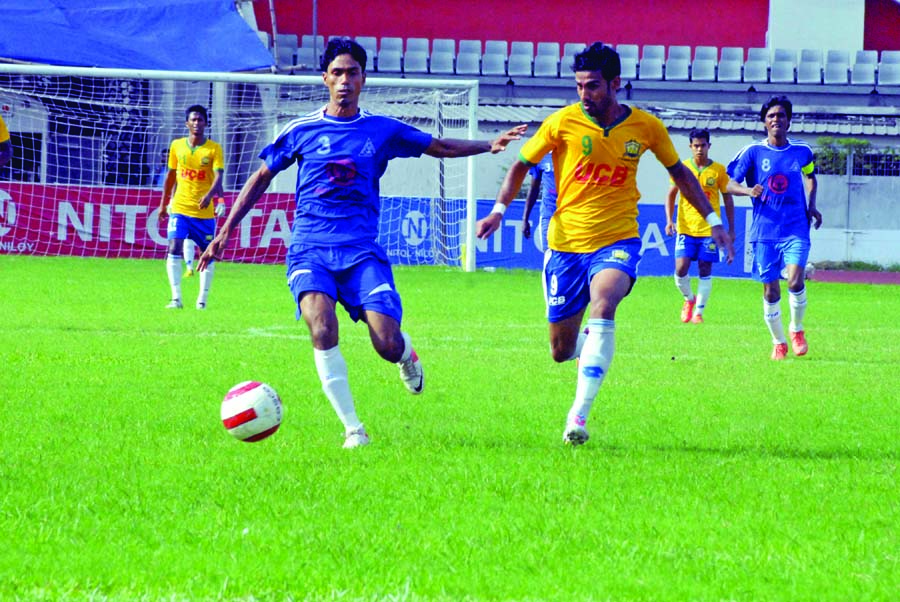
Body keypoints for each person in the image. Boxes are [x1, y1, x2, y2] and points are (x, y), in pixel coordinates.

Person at [198, 38, 526, 449]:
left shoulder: (381, 130)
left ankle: (406, 356)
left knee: (386, 343)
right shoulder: (301, 130)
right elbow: (261, 177)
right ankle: (353, 428)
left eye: (352, 73)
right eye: (336, 73)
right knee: (321, 326)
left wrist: (487, 145)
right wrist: (225, 231)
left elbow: (437, 146)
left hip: (361, 252)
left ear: (363, 78)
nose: (344, 81)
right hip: (310, 249)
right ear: (324, 78)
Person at [476, 42, 734, 446]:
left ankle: (577, 417)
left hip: (618, 239)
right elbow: (521, 165)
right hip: (564, 246)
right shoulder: (561, 123)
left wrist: (713, 220)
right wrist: (497, 210)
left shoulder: (646, 127)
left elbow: (680, 173)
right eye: (579, 86)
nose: (584, 94)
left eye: (593, 86)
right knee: (561, 351)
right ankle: (591, 350)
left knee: (604, 301)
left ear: (616, 83)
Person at [726, 95, 822, 360]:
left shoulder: (802, 151)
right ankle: (778, 341)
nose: (776, 120)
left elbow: (811, 177)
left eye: (781, 115)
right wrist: (747, 190)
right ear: (764, 123)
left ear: (789, 121)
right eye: (771, 116)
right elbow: (728, 184)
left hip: (796, 227)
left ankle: (796, 329)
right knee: (770, 290)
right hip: (764, 231)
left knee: (794, 279)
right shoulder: (753, 152)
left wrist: (811, 205)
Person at [664, 129, 735, 324]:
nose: (699, 149)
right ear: (690, 147)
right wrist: (669, 220)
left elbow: (728, 199)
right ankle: (689, 299)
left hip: (709, 230)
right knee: (681, 268)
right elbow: (671, 194)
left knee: (705, 268)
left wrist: (731, 228)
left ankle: (699, 313)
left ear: (709, 146)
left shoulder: (719, 170)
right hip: (686, 228)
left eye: (703, 145)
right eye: (696, 145)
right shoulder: (683, 168)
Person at [158, 105, 225, 310]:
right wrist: (163, 204)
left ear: (206, 123)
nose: (197, 123)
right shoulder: (177, 146)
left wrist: (213, 197)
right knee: (174, 246)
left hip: (204, 213)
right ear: (187, 123)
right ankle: (176, 298)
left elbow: (219, 176)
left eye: (200, 120)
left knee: (207, 253)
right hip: (180, 208)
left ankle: (202, 301)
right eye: (193, 120)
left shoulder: (213, 148)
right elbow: (170, 177)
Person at [521, 152, 557, 253]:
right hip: (549, 213)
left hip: (572, 213)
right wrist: (525, 219)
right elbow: (534, 188)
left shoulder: (575, 154)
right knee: (549, 253)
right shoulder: (543, 156)